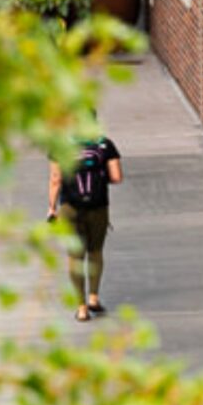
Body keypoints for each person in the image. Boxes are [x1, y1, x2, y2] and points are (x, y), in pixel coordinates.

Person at [47, 136, 122, 322]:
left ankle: (81, 309)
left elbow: (56, 179)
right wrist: (100, 179)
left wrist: (52, 208)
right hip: (98, 207)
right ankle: (94, 298)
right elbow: (116, 177)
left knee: (75, 256)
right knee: (95, 251)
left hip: (70, 208)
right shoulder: (105, 144)